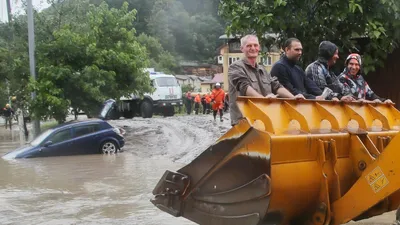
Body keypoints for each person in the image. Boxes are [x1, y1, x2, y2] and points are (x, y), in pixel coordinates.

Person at [228, 34, 305, 126]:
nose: (253, 48)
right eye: (249, 46)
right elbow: (244, 87)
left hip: (262, 120)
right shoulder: (235, 67)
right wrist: (264, 100)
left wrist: (293, 98)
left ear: (259, 47)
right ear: (242, 49)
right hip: (244, 122)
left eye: (255, 45)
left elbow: (276, 86)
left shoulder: (262, 69)